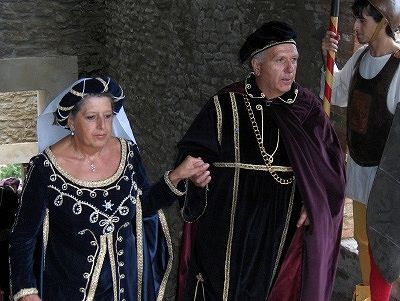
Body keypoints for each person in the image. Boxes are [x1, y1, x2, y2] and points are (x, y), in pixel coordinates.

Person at [175, 21, 346, 301]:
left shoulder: (308, 110)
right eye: (280, 61)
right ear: (257, 66)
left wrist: (314, 200)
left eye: (294, 60)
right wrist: (194, 176)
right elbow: (191, 154)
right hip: (228, 228)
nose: (290, 69)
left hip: (281, 230)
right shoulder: (225, 105)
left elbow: (331, 171)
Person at [8, 77, 210, 301]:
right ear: (71, 122)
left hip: (124, 291)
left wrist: (177, 176)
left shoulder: (128, 154)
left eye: (108, 116)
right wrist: (27, 291)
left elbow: (143, 208)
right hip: (68, 292)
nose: (103, 126)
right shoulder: (45, 168)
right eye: (91, 117)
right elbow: (23, 236)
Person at [321, 0, 400, 300]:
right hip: (360, 166)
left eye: (362, 20)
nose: (355, 26)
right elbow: (338, 93)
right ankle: (370, 293)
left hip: (387, 179)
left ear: (383, 22)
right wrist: (329, 60)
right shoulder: (360, 58)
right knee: (366, 240)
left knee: (384, 245)